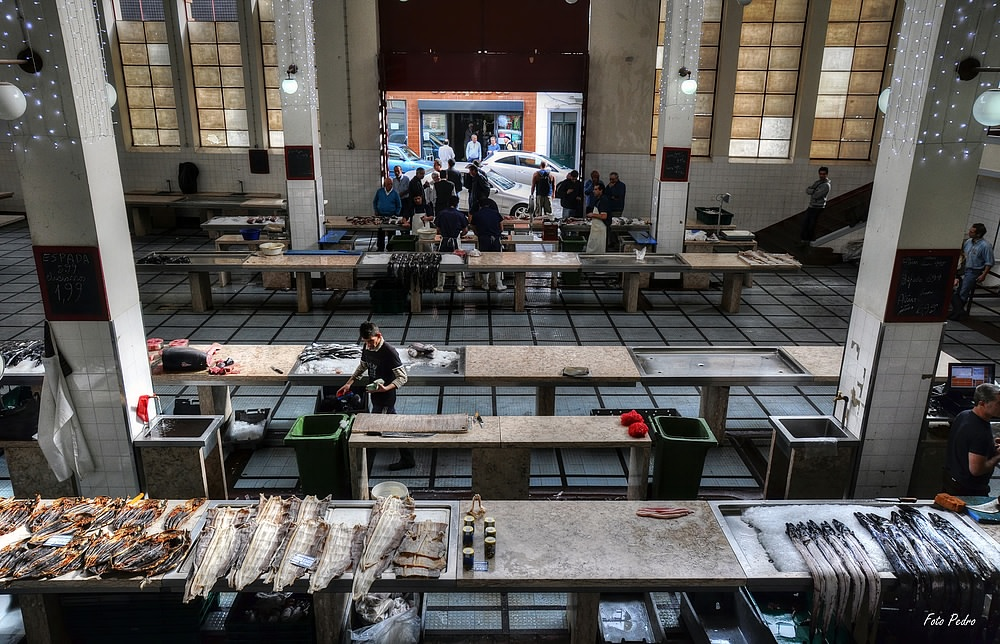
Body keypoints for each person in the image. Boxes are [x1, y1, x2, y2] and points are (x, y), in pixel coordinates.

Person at [337, 322, 413, 470]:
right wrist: (349, 383)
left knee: (374, 430)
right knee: (392, 428)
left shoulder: (389, 352)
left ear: (378, 336)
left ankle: (364, 466)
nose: (369, 345)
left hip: (386, 398)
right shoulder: (367, 347)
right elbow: (363, 366)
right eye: (366, 342)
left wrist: (386, 389)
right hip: (376, 397)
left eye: (371, 341)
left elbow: (402, 377)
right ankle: (407, 459)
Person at [944, 383, 1000, 495]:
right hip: (968, 490)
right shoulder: (980, 432)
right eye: (999, 404)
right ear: (982, 403)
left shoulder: (963, 415)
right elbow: (977, 470)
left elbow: (966, 446)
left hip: (951, 480)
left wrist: (990, 448)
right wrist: (998, 456)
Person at [951, 223, 995, 321]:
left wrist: (984, 274)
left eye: (971, 232)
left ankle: (958, 313)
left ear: (978, 234)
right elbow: (964, 255)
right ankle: (958, 311)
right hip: (963, 269)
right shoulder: (968, 242)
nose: (969, 233)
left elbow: (989, 262)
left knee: (963, 291)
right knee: (955, 290)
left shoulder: (985, 246)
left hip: (973, 271)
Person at [470, 198, 507, 291]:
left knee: (484, 261)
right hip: (495, 239)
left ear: (480, 206)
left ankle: (485, 284)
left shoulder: (476, 215)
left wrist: (477, 233)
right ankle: (499, 284)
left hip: (483, 239)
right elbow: (501, 228)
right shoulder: (496, 213)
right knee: (497, 260)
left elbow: (472, 226)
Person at [433, 195, 468, 292]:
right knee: (457, 262)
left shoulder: (441, 214)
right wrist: (460, 235)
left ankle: (440, 286)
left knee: (442, 262)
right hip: (455, 241)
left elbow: (438, 229)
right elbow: (465, 230)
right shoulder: (460, 215)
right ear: (457, 204)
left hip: (444, 241)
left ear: (448, 203)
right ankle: (459, 286)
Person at [801, 166, 831, 245]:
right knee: (806, 222)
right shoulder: (817, 182)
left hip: (818, 207)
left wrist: (813, 190)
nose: (822, 175)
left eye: (823, 174)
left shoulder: (826, 185)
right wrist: (814, 190)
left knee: (811, 223)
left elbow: (816, 195)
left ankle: (809, 239)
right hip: (812, 206)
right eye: (820, 174)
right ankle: (804, 238)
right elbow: (808, 190)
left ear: (826, 174)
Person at [584, 183, 612, 254]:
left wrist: (592, 215)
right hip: (596, 228)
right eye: (594, 189)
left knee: (599, 250)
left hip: (601, 229)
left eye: (596, 189)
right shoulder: (598, 200)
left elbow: (604, 216)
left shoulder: (603, 200)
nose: (594, 191)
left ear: (601, 190)